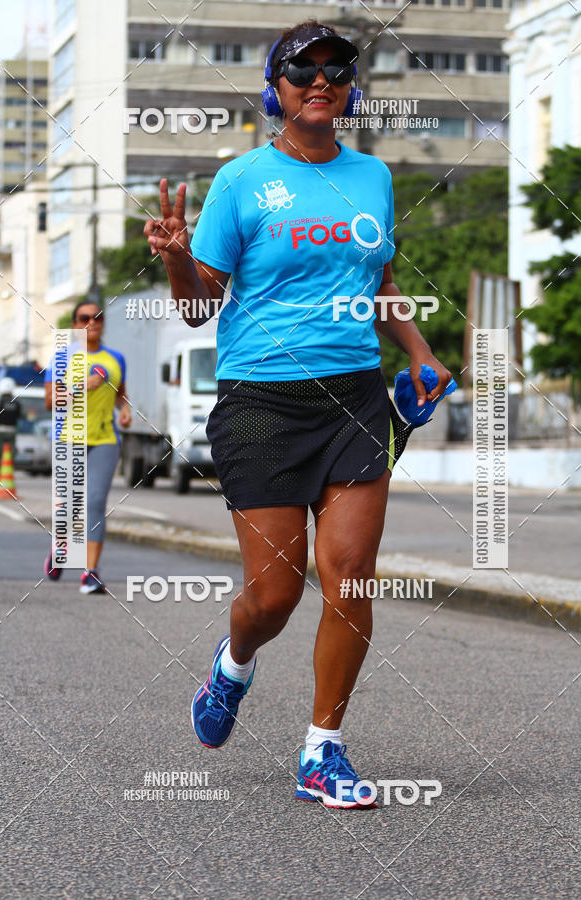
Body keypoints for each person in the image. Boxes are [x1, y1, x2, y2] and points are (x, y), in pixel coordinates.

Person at [144, 20, 452, 808]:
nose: (321, 80)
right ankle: (233, 664)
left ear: (352, 87)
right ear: (274, 87)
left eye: (337, 69)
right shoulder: (241, 181)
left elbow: (376, 281)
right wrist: (179, 256)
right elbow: (194, 310)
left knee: (349, 580)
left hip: (354, 396)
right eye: (301, 68)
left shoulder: (374, 178)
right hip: (260, 405)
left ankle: (323, 751)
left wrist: (417, 350)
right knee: (274, 597)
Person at [43, 301, 132, 593]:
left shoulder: (116, 358)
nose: (91, 322)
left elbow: (121, 394)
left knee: (94, 502)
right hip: (68, 437)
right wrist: (81, 387)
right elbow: (49, 402)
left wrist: (126, 410)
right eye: (84, 318)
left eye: (98, 317)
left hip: (105, 439)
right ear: (75, 323)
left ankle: (90, 572)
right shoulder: (61, 357)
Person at [0, 377, 21, 472]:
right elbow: (20, 415)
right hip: (12, 430)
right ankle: (9, 472)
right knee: (11, 452)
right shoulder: (16, 402)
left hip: (0, 431)